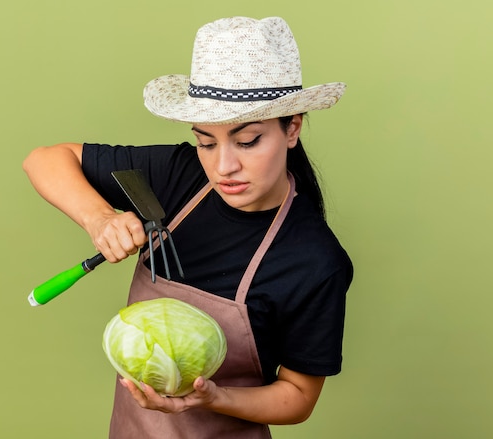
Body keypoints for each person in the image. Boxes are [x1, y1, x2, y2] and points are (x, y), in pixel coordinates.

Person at [23, 16, 353, 439]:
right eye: (206, 141)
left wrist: (211, 397)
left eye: (247, 140)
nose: (223, 166)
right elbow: (44, 159)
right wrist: (99, 217)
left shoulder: (313, 260)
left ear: (292, 127)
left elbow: (297, 396)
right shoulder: (177, 177)